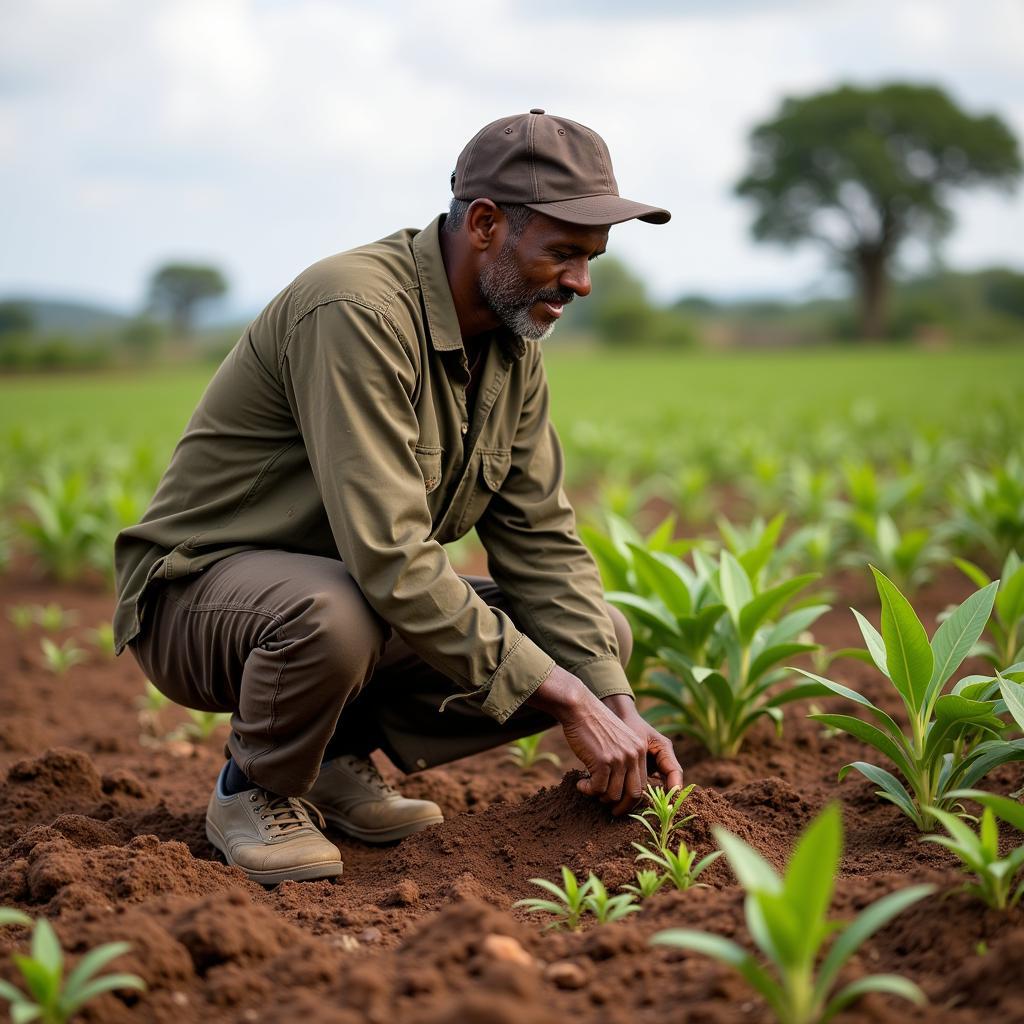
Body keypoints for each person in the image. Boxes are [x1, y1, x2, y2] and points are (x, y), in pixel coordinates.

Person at [112, 109, 683, 885]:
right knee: (336, 609)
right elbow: (389, 557)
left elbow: (543, 544)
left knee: (596, 636)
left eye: (593, 259)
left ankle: (332, 760)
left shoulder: (513, 350)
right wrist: (565, 702)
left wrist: (611, 701)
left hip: (346, 598)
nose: (582, 283)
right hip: (201, 599)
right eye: (564, 253)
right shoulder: (356, 310)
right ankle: (254, 789)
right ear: (485, 223)